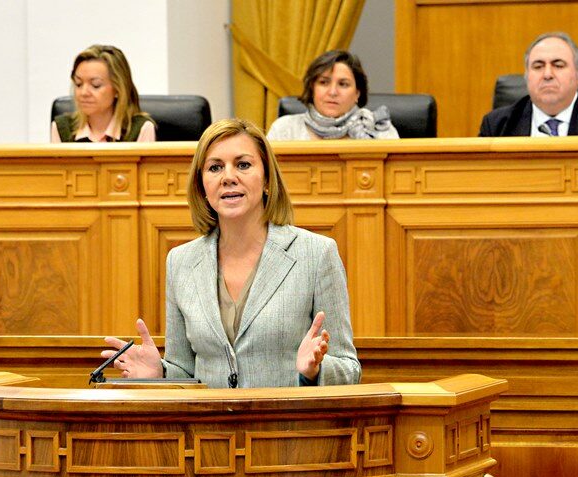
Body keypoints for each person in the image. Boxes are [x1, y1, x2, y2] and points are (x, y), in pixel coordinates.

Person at [102, 119, 361, 388]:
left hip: (285, 415)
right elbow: (185, 371)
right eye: (215, 167)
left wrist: (315, 371)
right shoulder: (180, 262)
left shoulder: (316, 254)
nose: (228, 177)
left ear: (267, 179)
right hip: (211, 417)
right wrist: (161, 374)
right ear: (202, 186)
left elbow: (349, 368)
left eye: (243, 165)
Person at [479, 32, 578, 137]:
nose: (547, 74)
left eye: (558, 65)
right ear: (526, 75)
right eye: (538, 66)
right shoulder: (496, 126)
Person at [267, 50, 398, 140]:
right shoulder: (284, 129)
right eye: (324, 82)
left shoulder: (378, 129)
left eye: (343, 84)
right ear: (312, 88)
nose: (333, 92)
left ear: (357, 93)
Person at [50, 45, 156, 143]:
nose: (84, 93)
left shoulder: (141, 129)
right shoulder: (62, 129)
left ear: (118, 89)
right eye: (78, 84)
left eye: (95, 85)